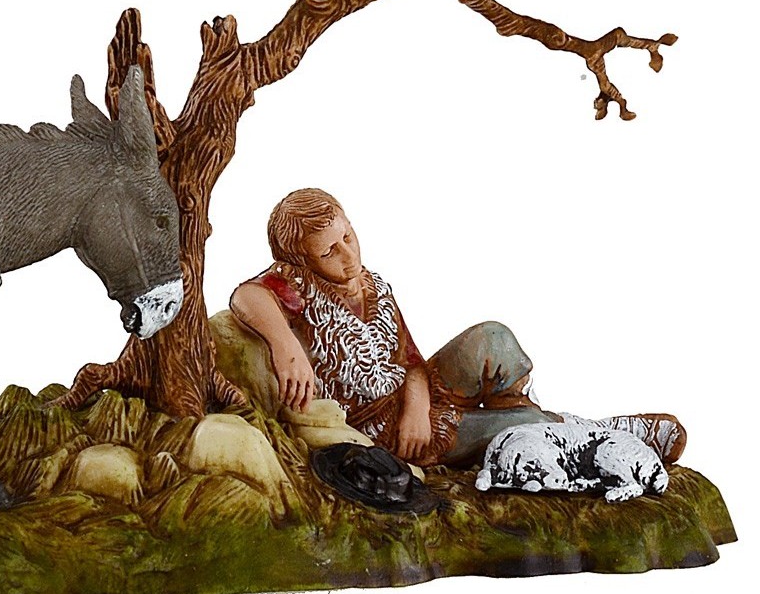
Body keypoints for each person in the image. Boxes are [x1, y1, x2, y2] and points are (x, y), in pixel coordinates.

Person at [229, 188, 685, 468]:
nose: (349, 255)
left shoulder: (372, 287)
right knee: (520, 424)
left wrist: (417, 404)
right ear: (302, 261)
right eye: (329, 251)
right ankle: (596, 432)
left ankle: (531, 438)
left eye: (348, 236)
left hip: (411, 403)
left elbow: (411, 364)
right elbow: (245, 295)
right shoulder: (298, 291)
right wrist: (285, 344)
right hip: (378, 429)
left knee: (493, 337)